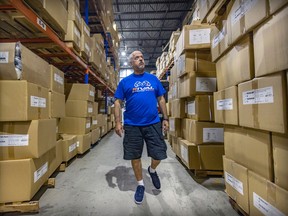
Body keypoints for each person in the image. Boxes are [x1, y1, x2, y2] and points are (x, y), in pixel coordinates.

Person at [114, 50, 169, 204]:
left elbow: (161, 98)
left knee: (159, 154)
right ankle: (140, 185)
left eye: (142, 57)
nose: (140, 59)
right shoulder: (125, 82)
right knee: (135, 156)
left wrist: (165, 118)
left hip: (152, 123)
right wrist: (118, 122)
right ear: (131, 63)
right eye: (136, 58)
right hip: (132, 125)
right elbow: (117, 102)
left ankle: (152, 170)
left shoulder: (153, 79)